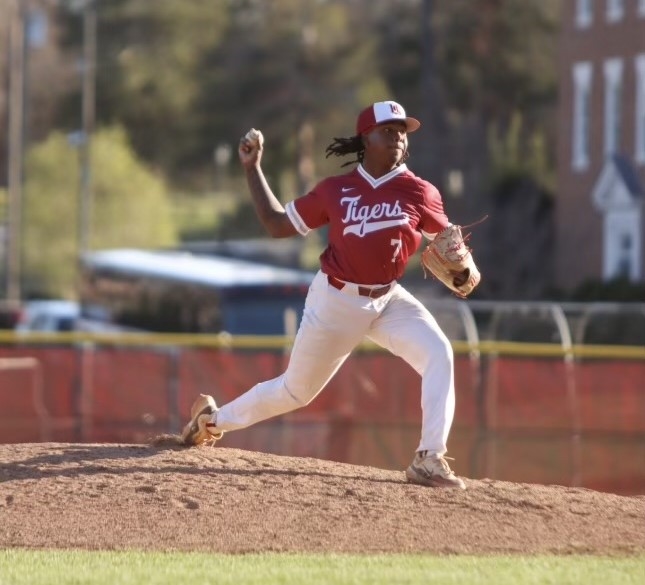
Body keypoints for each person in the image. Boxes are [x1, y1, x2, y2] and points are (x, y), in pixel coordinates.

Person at [182, 100, 480, 489]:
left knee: (439, 352)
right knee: (295, 391)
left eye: (402, 132)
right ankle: (212, 421)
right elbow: (276, 224)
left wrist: (461, 267)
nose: (397, 137)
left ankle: (429, 458)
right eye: (388, 131)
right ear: (365, 139)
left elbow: (446, 240)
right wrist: (252, 168)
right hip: (336, 301)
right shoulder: (335, 191)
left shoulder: (420, 192)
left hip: (389, 299)